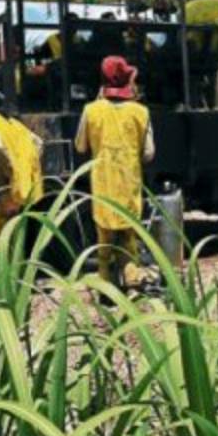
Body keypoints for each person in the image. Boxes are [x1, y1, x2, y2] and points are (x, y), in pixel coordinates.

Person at [75, 56, 156, 286]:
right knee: (129, 240)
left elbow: (80, 146)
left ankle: (106, 289)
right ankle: (132, 287)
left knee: (104, 244)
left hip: (103, 188)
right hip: (130, 187)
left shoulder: (91, 110)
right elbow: (149, 153)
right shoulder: (141, 112)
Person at [0, 85, 44, 278]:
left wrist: (2, 184)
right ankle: (16, 286)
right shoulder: (13, 124)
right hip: (19, 191)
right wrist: (22, 174)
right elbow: (38, 144)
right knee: (13, 240)